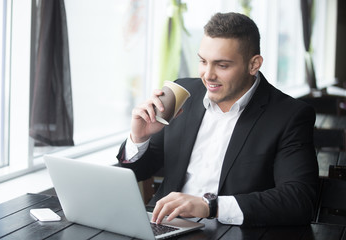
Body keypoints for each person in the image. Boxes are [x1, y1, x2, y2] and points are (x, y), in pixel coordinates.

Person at [117, 12, 319, 227]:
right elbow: (140, 171)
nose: (208, 75)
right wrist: (139, 138)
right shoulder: (183, 93)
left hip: (230, 231)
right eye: (203, 61)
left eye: (222, 65)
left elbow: (299, 200)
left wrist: (211, 206)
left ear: (254, 64)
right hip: (163, 224)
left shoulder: (289, 115)